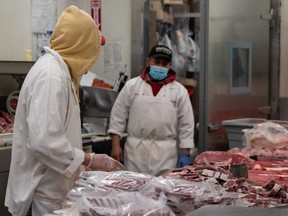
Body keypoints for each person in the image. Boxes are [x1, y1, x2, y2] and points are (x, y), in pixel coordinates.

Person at [5, 6, 124, 216]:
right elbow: (45, 143)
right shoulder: (51, 76)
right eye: (92, 49)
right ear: (80, 46)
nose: (93, 57)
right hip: (44, 195)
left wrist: (80, 167)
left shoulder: (62, 72)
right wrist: (90, 159)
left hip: (55, 190)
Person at [108, 44, 195, 176]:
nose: (160, 66)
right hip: (135, 153)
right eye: (156, 62)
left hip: (166, 155)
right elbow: (118, 115)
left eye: (164, 64)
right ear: (148, 61)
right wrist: (115, 145)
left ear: (170, 65)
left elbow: (187, 124)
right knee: (134, 191)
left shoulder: (179, 91)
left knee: (163, 192)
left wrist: (186, 154)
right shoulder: (132, 86)